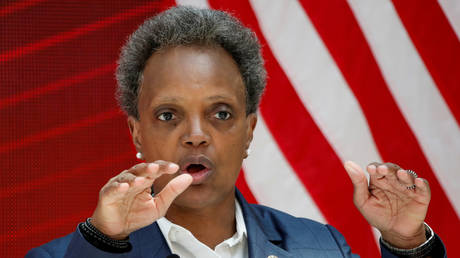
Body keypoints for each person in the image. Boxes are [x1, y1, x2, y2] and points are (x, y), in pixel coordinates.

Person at [26, 6, 446, 258]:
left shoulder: (320, 247)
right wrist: (101, 244)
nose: (196, 135)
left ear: (250, 131)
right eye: (169, 115)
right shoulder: (66, 254)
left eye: (221, 114)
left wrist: (406, 243)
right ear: (137, 134)